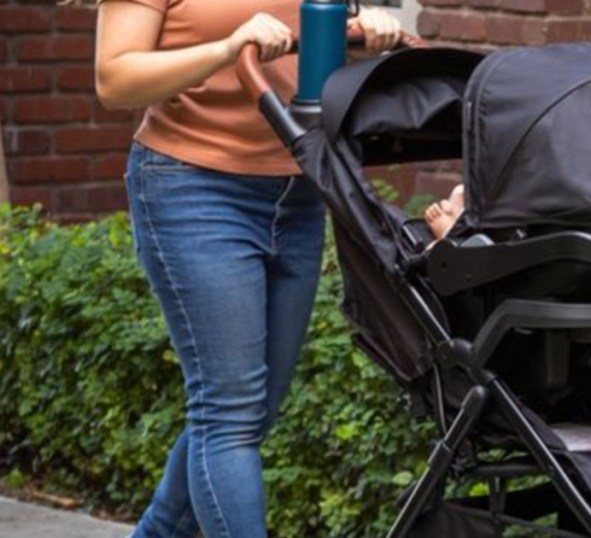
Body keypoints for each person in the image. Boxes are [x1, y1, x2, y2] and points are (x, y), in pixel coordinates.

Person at [93, 2, 402, 537]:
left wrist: (371, 34)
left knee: (248, 413)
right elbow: (115, 78)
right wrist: (226, 48)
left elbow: (320, 60)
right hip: (193, 185)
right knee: (230, 414)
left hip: (299, 190)